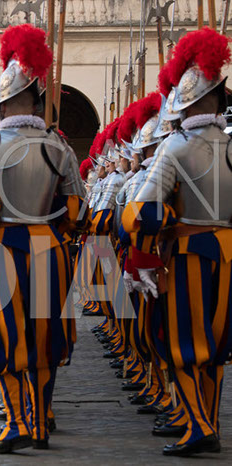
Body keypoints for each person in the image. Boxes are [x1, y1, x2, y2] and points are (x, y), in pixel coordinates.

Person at [0, 24, 84, 453]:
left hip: (3, 249)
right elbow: (79, 211)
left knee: (4, 337)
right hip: (52, 252)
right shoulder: (59, 146)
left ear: (3, 104)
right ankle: (40, 424)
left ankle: (17, 423)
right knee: (46, 338)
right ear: (37, 101)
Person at [122, 28, 232, 457]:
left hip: (188, 256)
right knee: (217, 347)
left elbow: (140, 213)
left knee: (183, 343)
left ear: (184, 103)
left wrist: (147, 244)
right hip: (228, 256)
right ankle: (208, 422)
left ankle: (199, 427)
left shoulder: (175, 147)